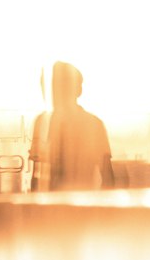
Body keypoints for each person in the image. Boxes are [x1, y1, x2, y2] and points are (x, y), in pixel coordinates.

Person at [30, 61, 114, 192]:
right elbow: (36, 176)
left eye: (60, 85)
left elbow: (108, 178)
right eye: (49, 85)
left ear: (77, 90)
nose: (53, 91)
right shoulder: (42, 123)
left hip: (79, 204)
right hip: (58, 205)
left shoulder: (94, 125)